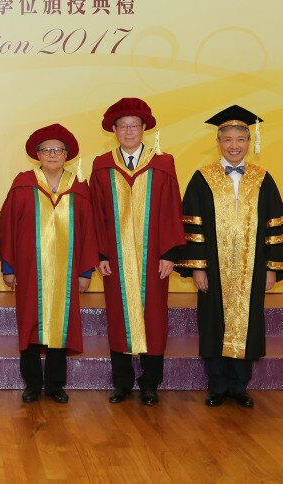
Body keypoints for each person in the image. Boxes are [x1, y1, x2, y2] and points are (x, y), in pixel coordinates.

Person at [177, 105, 283, 408]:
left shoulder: (263, 178)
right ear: (218, 143)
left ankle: (239, 386)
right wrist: (197, 268)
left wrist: (272, 268)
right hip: (213, 267)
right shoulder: (202, 178)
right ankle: (217, 385)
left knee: (248, 322)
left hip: (253, 267)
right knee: (213, 322)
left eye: (240, 139)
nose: (234, 145)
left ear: (249, 143)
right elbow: (193, 227)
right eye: (228, 139)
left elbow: (275, 224)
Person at [89, 98, 185, 406]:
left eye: (134, 126)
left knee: (153, 318)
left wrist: (169, 253)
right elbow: (97, 214)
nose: (129, 131)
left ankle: (150, 383)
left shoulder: (163, 164)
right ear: (114, 130)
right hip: (115, 259)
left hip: (153, 259)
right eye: (123, 126)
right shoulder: (102, 165)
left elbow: (172, 210)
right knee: (118, 317)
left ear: (144, 128)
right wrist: (101, 256)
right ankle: (121, 383)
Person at [0, 124, 98, 404]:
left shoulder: (78, 186)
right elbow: (7, 226)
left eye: (58, 149)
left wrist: (84, 271)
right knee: (29, 323)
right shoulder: (22, 184)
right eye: (46, 149)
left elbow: (88, 231)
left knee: (61, 325)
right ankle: (32, 383)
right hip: (30, 271)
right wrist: (9, 267)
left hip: (66, 273)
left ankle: (55, 384)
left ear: (67, 154)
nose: (52, 154)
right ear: (37, 154)